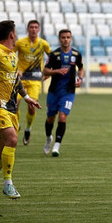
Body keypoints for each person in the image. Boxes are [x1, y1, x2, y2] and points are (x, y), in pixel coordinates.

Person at [0, 20, 41, 205]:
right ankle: (7, 183)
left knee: (3, 152)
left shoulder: (12, 55)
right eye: (16, 31)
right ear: (11, 34)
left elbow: (15, 80)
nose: (17, 34)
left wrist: (26, 98)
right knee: (12, 139)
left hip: (11, 108)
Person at [42, 29, 84, 157]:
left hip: (69, 92)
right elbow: (45, 71)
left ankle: (57, 145)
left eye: (68, 37)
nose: (66, 40)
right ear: (59, 39)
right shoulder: (54, 55)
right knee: (50, 118)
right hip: (54, 92)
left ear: (71, 39)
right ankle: (49, 137)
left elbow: (81, 68)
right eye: (63, 37)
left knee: (62, 116)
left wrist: (80, 79)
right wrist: (57, 71)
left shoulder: (76, 54)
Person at [14, 20, 52, 145]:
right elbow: (10, 55)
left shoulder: (43, 43)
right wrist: (16, 69)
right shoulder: (20, 43)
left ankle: (28, 129)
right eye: (31, 27)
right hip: (20, 79)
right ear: (27, 29)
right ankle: (16, 125)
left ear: (39, 29)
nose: (33, 29)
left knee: (31, 107)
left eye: (36, 27)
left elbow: (52, 57)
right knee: (15, 103)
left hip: (35, 79)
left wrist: (48, 71)